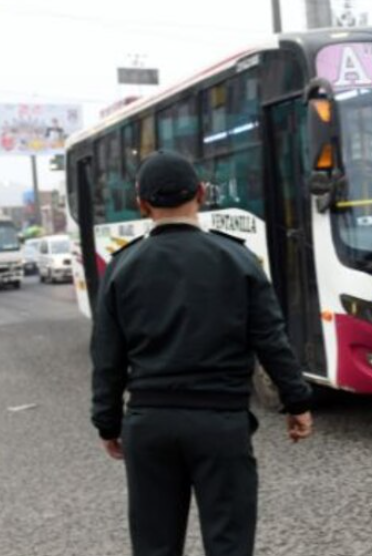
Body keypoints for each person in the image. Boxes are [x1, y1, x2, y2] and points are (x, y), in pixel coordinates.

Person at [91, 150, 314, 556]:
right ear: (201, 194)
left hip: (149, 425)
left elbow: (107, 357)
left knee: (154, 545)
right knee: (229, 543)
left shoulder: (121, 268)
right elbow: (271, 339)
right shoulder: (238, 258)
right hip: (221, 424)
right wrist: (296, 401)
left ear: (142, 204)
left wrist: (107, 422)